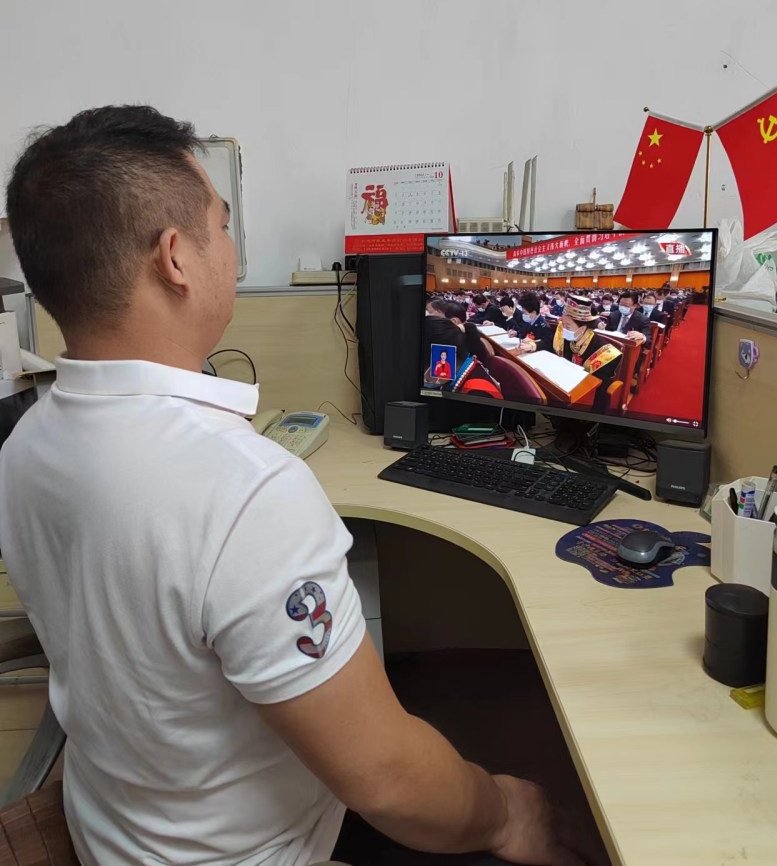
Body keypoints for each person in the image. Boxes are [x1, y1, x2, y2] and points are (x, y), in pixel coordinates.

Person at [0, 106, 582, 866]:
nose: (230, 250)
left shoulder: (25, 442)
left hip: (117, 826)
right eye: (222, 227)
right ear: (175, 258)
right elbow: (389, 781)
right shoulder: (242, 489)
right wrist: (507, 815)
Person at [551, 296, 622, 411]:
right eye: (562, 323)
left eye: (567, 325)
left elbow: (597, 390)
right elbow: (549, 342)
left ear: (583, 328)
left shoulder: (605, 353)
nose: (563, 328)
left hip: (587, 400)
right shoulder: (566, 334)